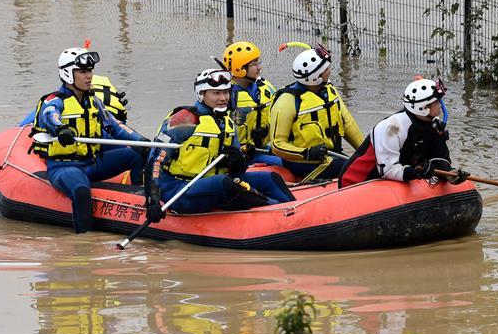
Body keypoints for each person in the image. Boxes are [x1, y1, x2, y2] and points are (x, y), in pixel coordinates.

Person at [30, 47, 151, 234]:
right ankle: (84, 241)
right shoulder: (54, 100)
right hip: (64, 167)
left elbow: (115, 128)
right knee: (81, 191)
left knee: (137, 155)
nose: (89, 76)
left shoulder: (93, 102)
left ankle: (135, 199)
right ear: (69, 74)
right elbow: (49, 116)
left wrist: (141, 142)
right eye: (83, 71)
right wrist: (61, 129)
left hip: (92, 163)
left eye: (90, 71)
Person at [148, 68, 295, 216]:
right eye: (216, 93)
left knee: (269, 178)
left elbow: (238, 171)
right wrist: (152, 199)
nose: (223, 98)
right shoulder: (184, 120)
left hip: (212, 183)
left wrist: (239, 160)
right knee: (223, 182)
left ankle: (294, 208)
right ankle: (277, 210)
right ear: (201, 94)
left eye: (226, 92)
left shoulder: (227, 122)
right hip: (179, 189)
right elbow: (155, 161)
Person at [338, 77, 469, 188]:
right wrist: (417, 173)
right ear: (423, 108)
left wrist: (450, 174)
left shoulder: (434, 126)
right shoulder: (392, 127)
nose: (440, 105)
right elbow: (388, 170)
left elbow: (439, 156)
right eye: (436, 102)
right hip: (355, 183)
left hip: (392, 180)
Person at [268, 43, 364, 180]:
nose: (330, 70)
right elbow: (277, 144)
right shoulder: (287, 101)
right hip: (303, 161)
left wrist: (365, 152)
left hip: (332, 155)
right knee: (353, 170)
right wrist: (306, 153)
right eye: (326, 69)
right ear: (315, 77)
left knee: (361, 166)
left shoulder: (329, 91)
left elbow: (347, 123)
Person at [221, 41, 282, 167]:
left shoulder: (264, 87)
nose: (259, 67)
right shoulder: (225, 96)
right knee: (283, 164)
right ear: (240, 69)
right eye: (255, 64)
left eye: (258, 62)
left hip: (265, 147)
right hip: (242, 154)